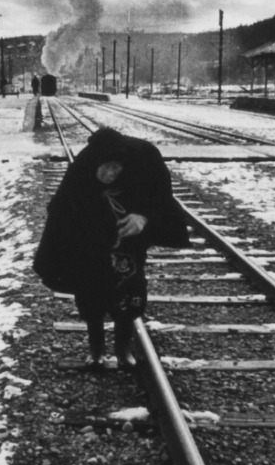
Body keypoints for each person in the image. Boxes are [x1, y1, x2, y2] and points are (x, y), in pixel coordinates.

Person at [34, 127, 190, 369]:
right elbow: (59, 211)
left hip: (128, 250)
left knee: (128, 295)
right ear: (95, 163)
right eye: (105, 167)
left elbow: (161, 199)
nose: (110, 173)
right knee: (90, 297)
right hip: (90, 249)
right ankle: (96, 349)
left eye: (116, 168)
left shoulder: (141, 164)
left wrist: (143, 217)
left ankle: (122, 350)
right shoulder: (81, 172)